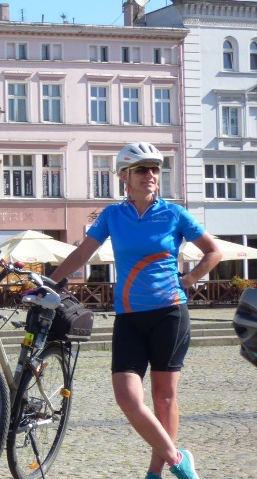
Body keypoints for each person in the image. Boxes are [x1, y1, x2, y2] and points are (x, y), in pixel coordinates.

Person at [49, 142, 221, 479]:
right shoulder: (113, 214)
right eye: (143, 169)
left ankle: (155, 473)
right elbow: (83, 253)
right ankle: (177, 458)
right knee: (127, 396)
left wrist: (189, 279)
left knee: (164, 397)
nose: (151, 175)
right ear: (124, 175)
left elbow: (212, 252)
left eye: (155, 169)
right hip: (129, 316)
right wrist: (50, 281)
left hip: (170, 314)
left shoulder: (174, 213)